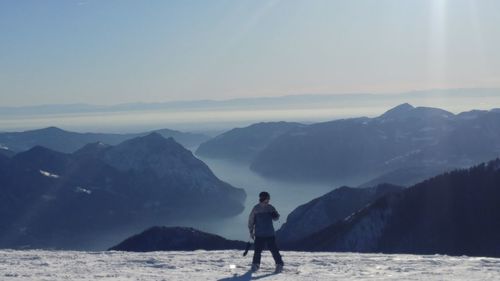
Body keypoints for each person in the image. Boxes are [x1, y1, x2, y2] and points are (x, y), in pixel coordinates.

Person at [248, 191, 284, 273]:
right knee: (259, 250)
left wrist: (275, 215)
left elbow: (276, 218)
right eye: (267, 198)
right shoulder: (257, 208)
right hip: (262, 234)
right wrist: (251, 231)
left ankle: (279, 264)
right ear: (264, 198)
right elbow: (251, 220)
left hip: (267, 233)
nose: (268, 200)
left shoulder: (269, 208)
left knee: (271, 249)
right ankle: (256, 265)